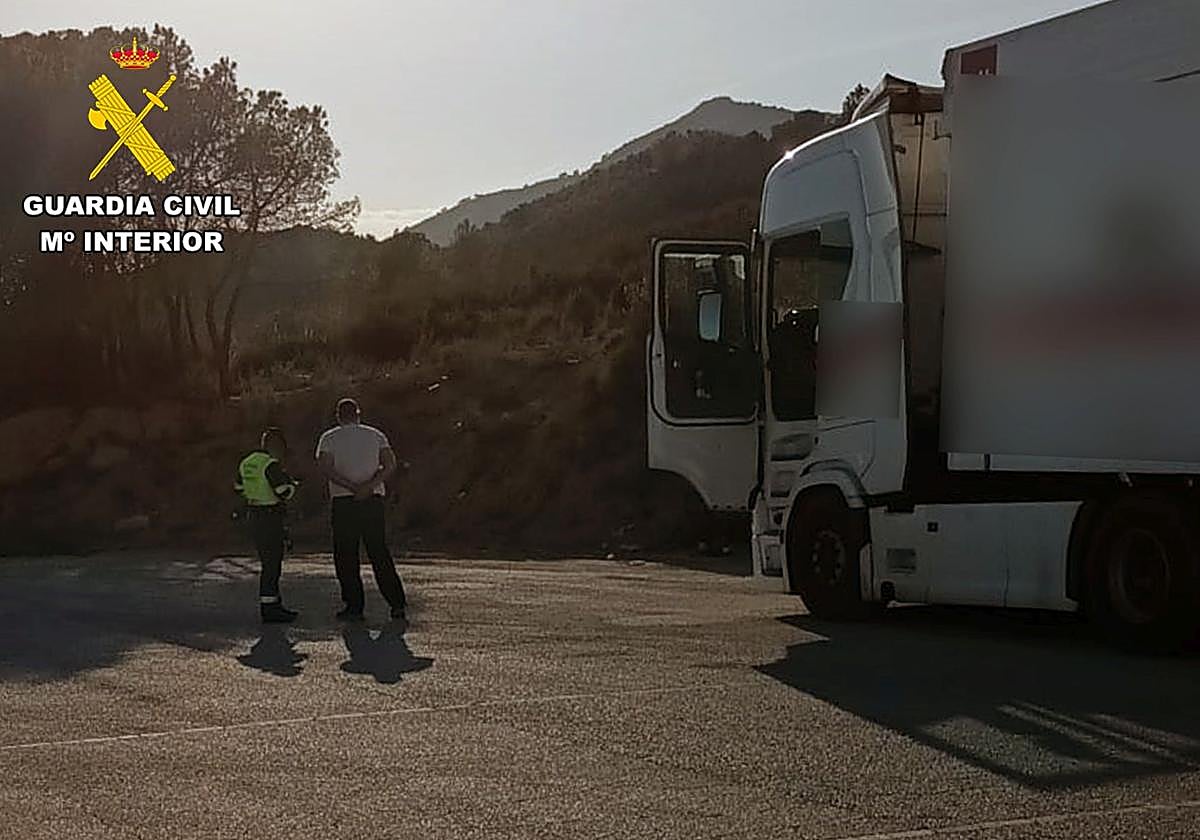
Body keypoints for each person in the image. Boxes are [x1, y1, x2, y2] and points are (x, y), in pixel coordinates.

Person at [315, 398, 407, 621]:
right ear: (358, 413)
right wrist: (370, 485)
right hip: (372, 500)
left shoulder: (329, 438)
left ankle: (354, 606)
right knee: (378, 552)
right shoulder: (375, 435)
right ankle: (396, 603)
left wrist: (351, 486)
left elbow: (325, 467)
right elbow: (390, 463)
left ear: (339, 415)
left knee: (346, 555)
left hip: (344, 500)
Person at [234, 427, 300, 623]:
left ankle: (273, 604)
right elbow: (283, 491)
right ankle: (270, 608)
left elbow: (238, 487)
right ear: (276, 445)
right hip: (270, 517)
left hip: (253, 515)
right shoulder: (270, 464)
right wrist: (292, 486)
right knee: (272, 564)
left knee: (266, 562)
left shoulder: (247, 462)